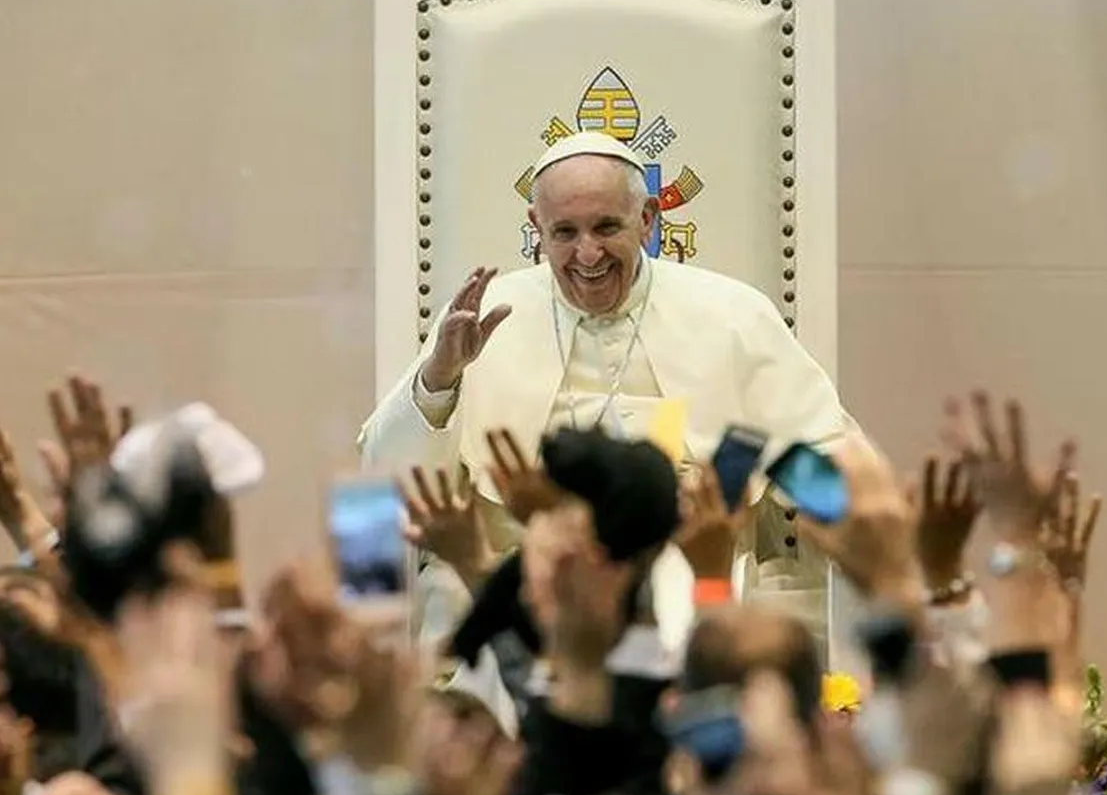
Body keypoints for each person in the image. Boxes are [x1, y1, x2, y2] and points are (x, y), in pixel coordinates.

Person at [357, 130, 874, 667]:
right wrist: (441, 378)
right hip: (516, 568)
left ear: (647, 219)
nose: (588, 253)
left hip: (685, 563)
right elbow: (384, 474)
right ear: (537, 227)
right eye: (564, 232)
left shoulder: (732, 314)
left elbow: (814, 450)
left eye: (606, 227)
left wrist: (844, 512)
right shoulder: (487, 314)